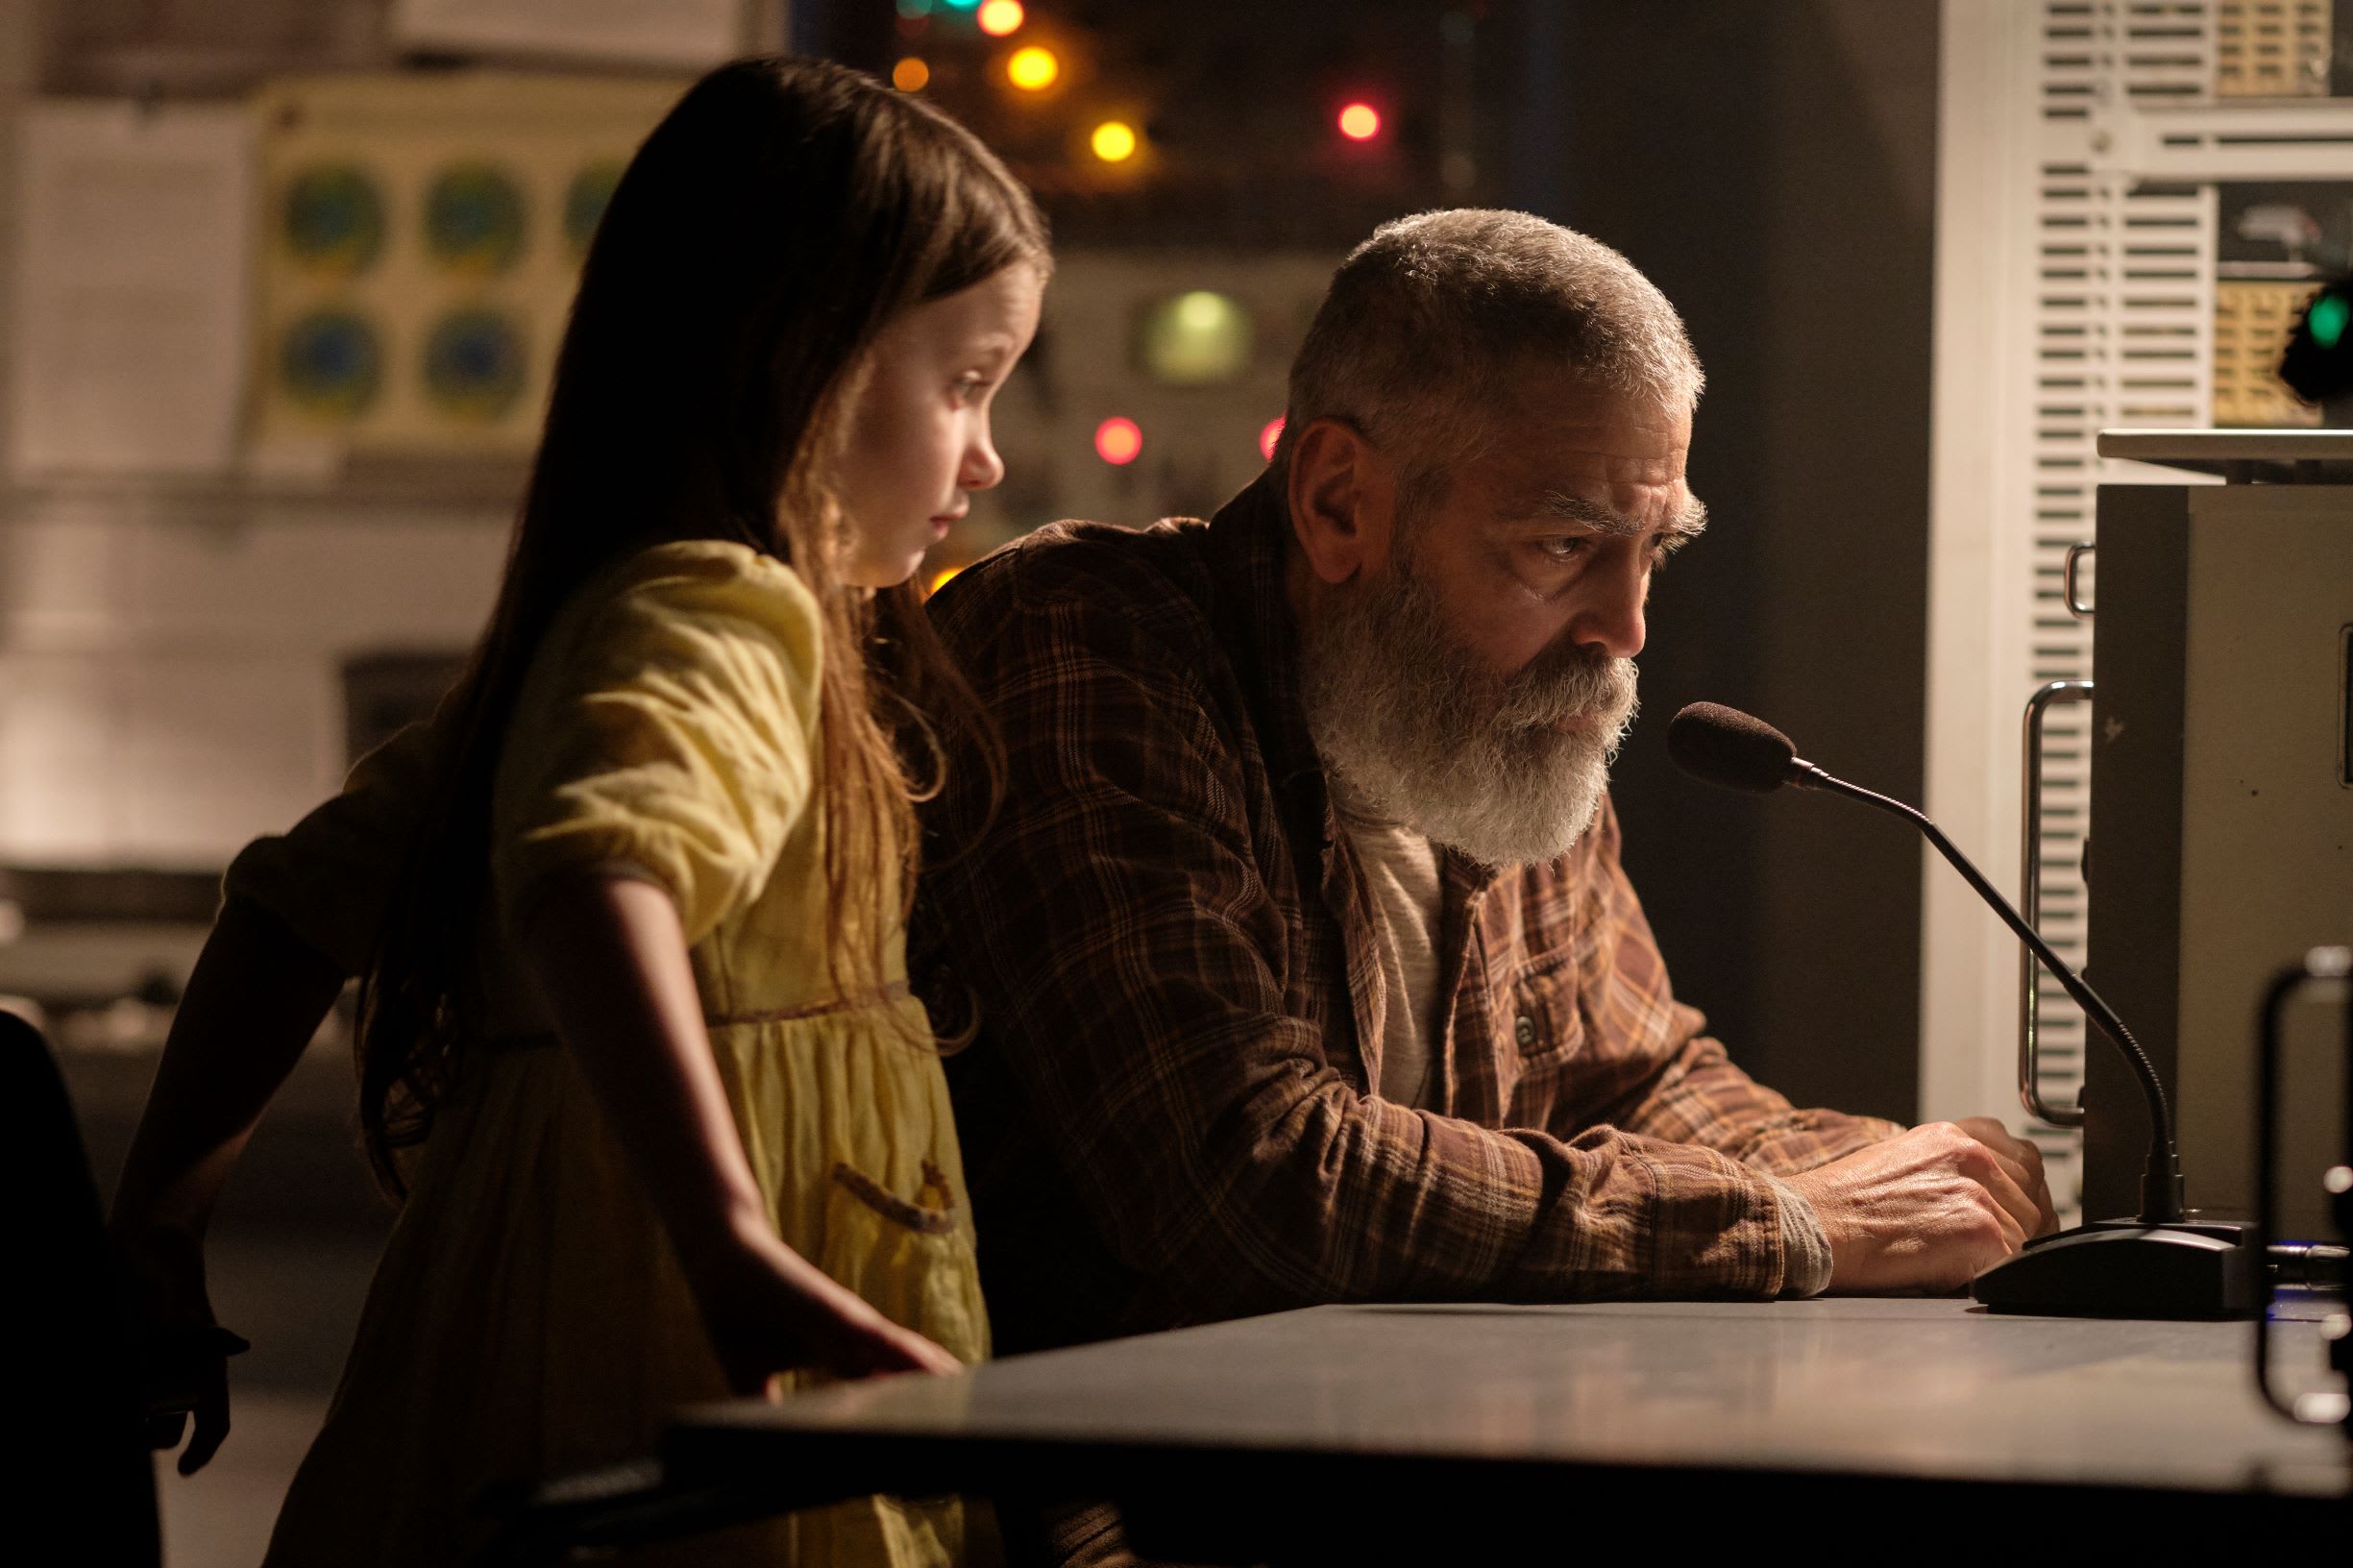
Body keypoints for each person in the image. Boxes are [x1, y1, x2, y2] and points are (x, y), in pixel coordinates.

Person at [107, 57, 1046, 1566]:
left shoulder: (596, 626)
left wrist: (158, 1222)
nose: (986, 454)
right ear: (796, 359)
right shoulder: (723, 615)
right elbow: (599, 871)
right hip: (666, 1363)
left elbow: (289, 910)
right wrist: (728, 1238)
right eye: (962, 382)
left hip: (520, 1331)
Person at [914, 209, 2059, 1385]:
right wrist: (1789, 1223)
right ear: (1339, 502)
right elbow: (1243, 1175)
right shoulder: (1088, 644)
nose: (1626, 630)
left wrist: (1909, 1175)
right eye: (1564, 544)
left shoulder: (1511, 718)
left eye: (1652, 549)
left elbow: (1635, 1075)